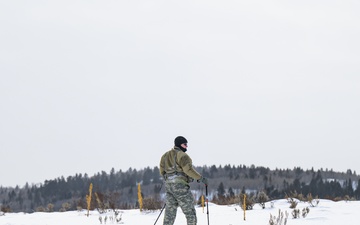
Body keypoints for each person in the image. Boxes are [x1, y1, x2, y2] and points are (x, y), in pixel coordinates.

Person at [159, 136, 208, 225]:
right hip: (180, 187)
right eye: (185, 144)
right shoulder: (183, 155)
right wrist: (200, 178)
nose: (186, 146)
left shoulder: (165, 156)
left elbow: (162, 171)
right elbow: (188, 170)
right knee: (190, 213)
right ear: (179, 145)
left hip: (169, 186)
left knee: (169, 214)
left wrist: (170, 179)